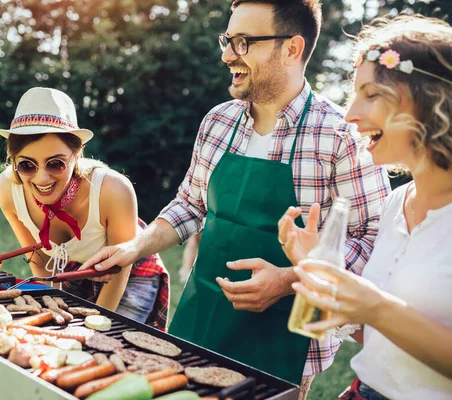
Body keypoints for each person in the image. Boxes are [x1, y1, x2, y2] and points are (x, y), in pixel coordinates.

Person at [81, 0, 391, 392]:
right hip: (201, 319)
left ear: (292, 49)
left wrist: (289, 279)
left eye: (243, 42)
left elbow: (374, 239)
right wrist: (135, 246)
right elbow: (191, 205)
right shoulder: (217, 121)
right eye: (227, 40)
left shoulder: (341, 136)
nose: (228, 55)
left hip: (287, 342)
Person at [286, 15, 452, 399]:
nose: (350, 114)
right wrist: (323, 274)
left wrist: (376, 307)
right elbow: (381, 339)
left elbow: (382, 313)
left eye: (371, 94)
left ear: (430, 99)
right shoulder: (396, 203)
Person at [0, 87, 169, 331]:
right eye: (26, 165)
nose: (42, 178)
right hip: (69, 271)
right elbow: (39, 261)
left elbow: (121, 267)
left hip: (127, 272)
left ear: (77, 155)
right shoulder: (7, 189)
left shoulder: (113, 189)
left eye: (55, 163)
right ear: (13, 160)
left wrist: (95, 327)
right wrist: (49, 308)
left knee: (104, 342)